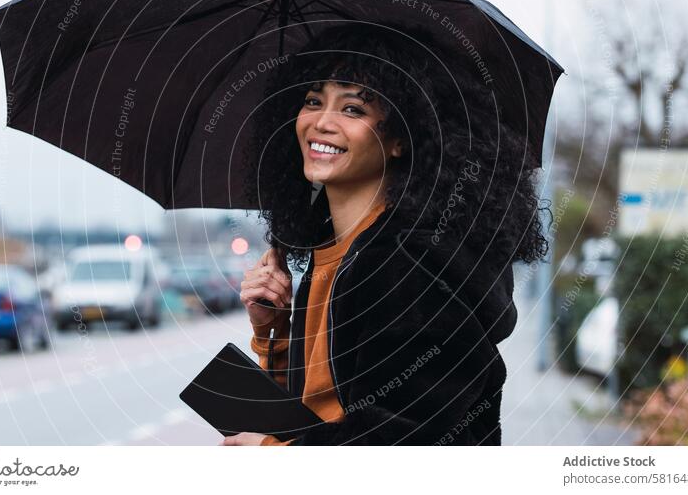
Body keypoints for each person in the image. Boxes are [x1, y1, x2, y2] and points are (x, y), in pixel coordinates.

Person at [222, 22, 549, 446]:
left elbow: (404, 440)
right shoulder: (340, 251)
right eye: (313, 101)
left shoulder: (411, 263)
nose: (322, 121)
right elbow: (322, 405)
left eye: (353, 109)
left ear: (400, 137)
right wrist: (274, 330)